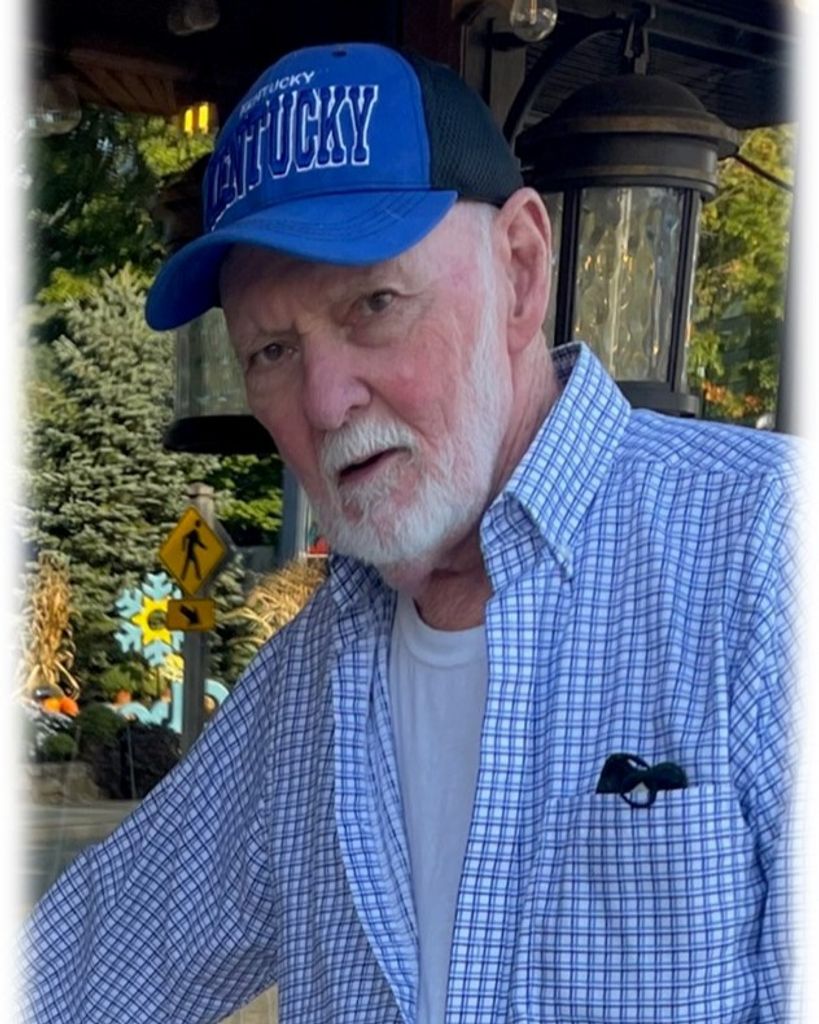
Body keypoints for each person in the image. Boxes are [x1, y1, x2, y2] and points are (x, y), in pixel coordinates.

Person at [22, 41, 798, 1024]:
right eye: (272, 349)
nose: (325, 400)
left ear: (520, 269)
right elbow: (82, 970)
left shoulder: (767, 549)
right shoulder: (311, 678)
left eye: (375, 304)